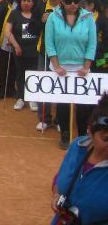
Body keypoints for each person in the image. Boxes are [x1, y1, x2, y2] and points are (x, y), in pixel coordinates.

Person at [46, 0, 97, 149]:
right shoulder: (53, 17)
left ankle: (82, 135)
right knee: (62, 105)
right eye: (68, 1)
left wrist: (86, 66)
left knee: (83, 106)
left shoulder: (88, 18)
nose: (72, 4)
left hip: (81, 67)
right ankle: (65, 135)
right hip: (60, 67)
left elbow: (92, 43)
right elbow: (49, 42)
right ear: (62, 1)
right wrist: (56, 66)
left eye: (76, 1)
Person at [50, 94, 108, 225]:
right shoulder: (77, 147)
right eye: (105, 139)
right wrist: (56, 195)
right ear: (91, 132)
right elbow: (59, 179)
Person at [4, 0, 41, 112]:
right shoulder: (15, 14)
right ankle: (21, 97)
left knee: (33, 73)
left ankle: (32, 98)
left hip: (35, 51)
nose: (26, 3)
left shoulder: (38, 15)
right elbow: (7, 31)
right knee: (20, 74)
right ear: (20, 2)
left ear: (33, 2)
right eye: (24, 0)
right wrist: (16, 46)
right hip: (19, 51)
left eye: (29, 1)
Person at [35, 0, 64, 131]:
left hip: (61, 54)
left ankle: (60, 119)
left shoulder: (66, 10)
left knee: (60, 85)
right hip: (43, 51)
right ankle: (44, 118)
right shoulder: (40, 7)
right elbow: (32, 28)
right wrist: (41, 21)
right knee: (44, 83)